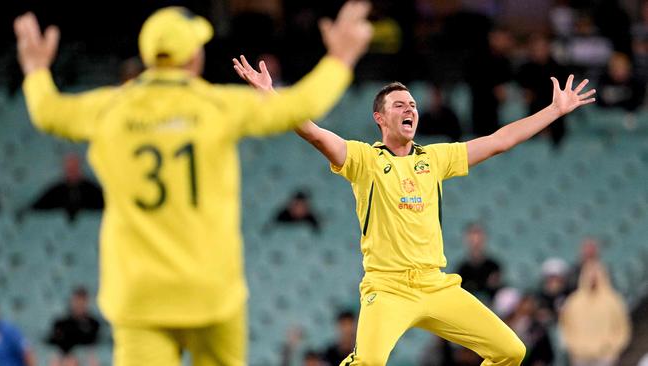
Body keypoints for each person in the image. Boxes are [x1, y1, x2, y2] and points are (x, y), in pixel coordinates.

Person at [14, 3, 372, 366]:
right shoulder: (216, 106)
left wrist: (36, 70)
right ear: (193, 57)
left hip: (140, 297)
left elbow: (46, 113)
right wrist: (340, 58)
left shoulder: (109, 109)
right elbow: (301, 104)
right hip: (211, 292)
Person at [234, 48, 596, 365]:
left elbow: (499, 140)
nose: (410, 109)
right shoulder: (365, 159)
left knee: (511, 352)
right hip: (388, 288)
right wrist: (273, 96)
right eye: (399, 105)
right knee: (370, 361)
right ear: (380, 118)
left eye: (413, 104)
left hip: (435, 286)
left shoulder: (435, 158)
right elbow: (315, 133)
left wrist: (553, 110)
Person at [559, 260, 631, 366]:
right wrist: (575, 347)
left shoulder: (614, 301)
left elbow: (622, 327)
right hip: (580, 356)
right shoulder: (573, 302)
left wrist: (612, 346)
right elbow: (565, 327)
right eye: (589, 275)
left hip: (605, 355)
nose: (593, 279)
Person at [23, 153, 103, 221]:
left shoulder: (92, 190)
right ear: (65, 169)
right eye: (69, 169)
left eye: (74, 168)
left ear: (80, 168)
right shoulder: (56, 190)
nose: (72, 172)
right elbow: (39, 204)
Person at [47, 287, 101, 366]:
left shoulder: (94, 324)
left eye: (82, 301)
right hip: (65, 357)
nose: (79, 305)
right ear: (72, 301)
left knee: (91, 357)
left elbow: (95, 345)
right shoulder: (61, 323)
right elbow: (53, 343)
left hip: (85, 356)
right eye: (77, 301)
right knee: (59, 358)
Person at [455, 222, 502, 303]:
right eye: (472, 237)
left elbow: (496, 290)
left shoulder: (494, 266)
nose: (476, 241)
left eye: (479, 236)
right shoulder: (462, 268)